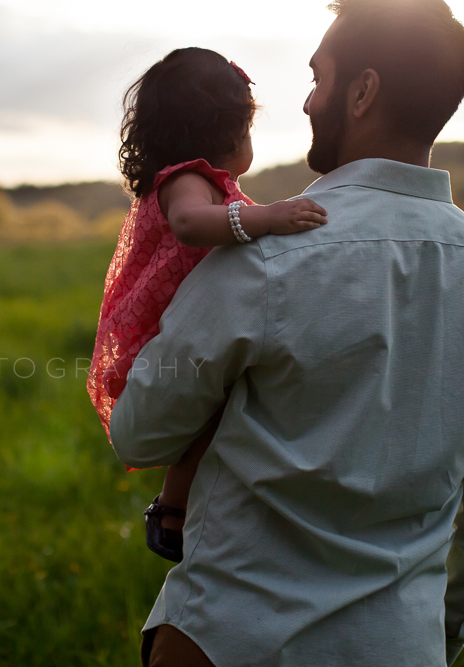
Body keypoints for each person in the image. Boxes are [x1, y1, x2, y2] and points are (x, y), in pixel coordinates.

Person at [110, 0, 464, 667]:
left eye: (318, 78)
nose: (308, 101)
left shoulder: (259, 259)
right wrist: (432, 641)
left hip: (226, 641)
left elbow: (139, 430)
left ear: (362, 91)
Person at [88, 47, 330, 561]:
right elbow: (190, 225)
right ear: (221, 133)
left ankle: (183, 507)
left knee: (222, 413)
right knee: (221, 410)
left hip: (201, 330)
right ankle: (174, 509)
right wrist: (267, 218)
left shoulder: (208, 184)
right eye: (246, 129)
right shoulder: (187, 182)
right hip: (163, 333)